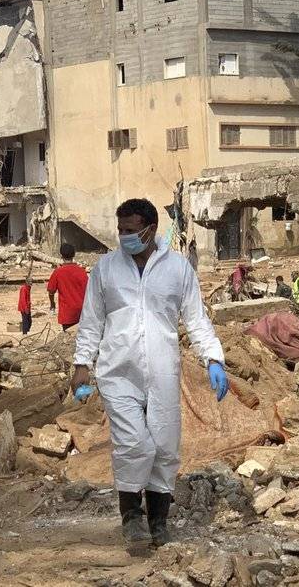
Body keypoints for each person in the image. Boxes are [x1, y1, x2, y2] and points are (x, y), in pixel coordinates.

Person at [71, 198, 227, 547]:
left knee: (164, 446)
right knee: (133, 443)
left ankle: (158, 521)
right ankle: (131, 517)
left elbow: (196, 319)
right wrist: (82, 364)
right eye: (120, 229)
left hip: (162, 371)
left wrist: (213, 359)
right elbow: (92, 320)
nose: (123, 236)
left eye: (130, 230)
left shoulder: (177, 269)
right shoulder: (106, 269)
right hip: (117, 371)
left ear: (150, 229)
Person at [47, 243, 88, 330]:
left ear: (61, 256)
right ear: (74, 255)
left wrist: (52, 304)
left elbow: (51, 291)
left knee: (68, 336)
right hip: (82, 313)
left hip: (67, 314)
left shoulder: (58, 272)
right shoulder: (82, 272)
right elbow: (89, 291)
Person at [18, 267, 33, 335]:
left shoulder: (28, 288)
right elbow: (23, 300)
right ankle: (24, 333)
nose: (31, 283)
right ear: (26, 282)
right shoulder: (24, 289)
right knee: (25, 321)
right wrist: (26, 308)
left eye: (31, 281)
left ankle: (26, 331)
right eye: (30, 281)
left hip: (27, 307)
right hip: (24, 307)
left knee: (29, 321)